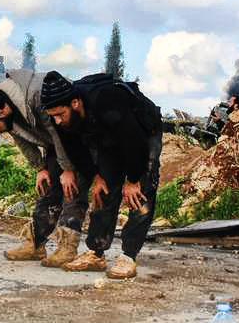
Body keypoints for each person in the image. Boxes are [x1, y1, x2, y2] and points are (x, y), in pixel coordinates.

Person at [41, 71, 162, 280]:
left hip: (142, 133)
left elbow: (134, 142)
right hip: (108, 139)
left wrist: (133, 180)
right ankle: (96, 252)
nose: (58, 121)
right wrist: (96, 177)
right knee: (104, 190)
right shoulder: (61, 119)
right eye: (54, 116)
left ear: (76, 103)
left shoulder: (106, 100)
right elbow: (76, 151)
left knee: (140, 194)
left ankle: (128, 256)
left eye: (61, 114)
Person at [0, 69, 88, 268]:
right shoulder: (7, 111)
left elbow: (57, 131)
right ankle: (35, 244)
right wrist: (41, 168)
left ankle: (67, 247)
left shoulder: (37, 96)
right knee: (48, 189)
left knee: (72, 189)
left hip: (77, 138)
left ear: (2, 112)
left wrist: (68, 169)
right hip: (56, 144)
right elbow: (21, 139)